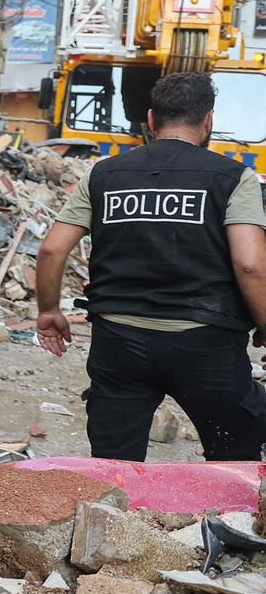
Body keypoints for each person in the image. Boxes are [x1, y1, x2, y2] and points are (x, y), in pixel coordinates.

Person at [35, 71, 266, 461]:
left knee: (113, 465)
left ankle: (113, 520)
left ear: (151, 119)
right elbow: (250, 265)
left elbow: (51, 251)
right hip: (206, 345)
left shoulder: (103, 174)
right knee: (235, 458)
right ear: (208, 120)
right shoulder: (232, 178)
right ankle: (223, 522)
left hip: (119, 344)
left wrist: (48, 311)